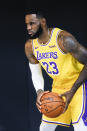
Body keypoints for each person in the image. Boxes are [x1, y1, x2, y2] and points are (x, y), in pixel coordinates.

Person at [24, 10, 87, 131]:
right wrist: (39, 92)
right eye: (26, 24)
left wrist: (73, 90)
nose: (28, 28)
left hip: (79, 85)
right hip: (58, 87)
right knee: (44, 128)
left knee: (81, 127)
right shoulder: (30, 46)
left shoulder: (63, 39)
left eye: (32, 23)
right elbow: (36, 72)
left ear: (42, 22)